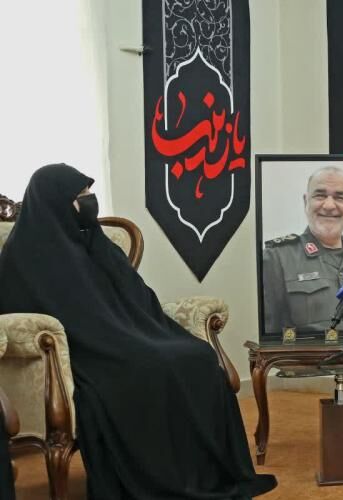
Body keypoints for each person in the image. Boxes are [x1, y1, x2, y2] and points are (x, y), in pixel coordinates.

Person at [0, 164, 277, 499]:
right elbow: (25, 315)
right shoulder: (23, 256)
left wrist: (141, 330)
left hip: (128, 336)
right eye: (81, 195)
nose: (90, 201)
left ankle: (202, 473)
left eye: (90, 193)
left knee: (198, 356)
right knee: (151, 367)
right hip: (84, 352)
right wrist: (111, 337)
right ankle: (162, 477)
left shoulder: (96, 243)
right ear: (56, 201)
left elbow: (136, 296)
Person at [262, 166, 343, 335]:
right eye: (320, 195)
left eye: (340, 197)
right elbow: (268, 338)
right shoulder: (277, 258)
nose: (328, 205)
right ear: (306, 202)